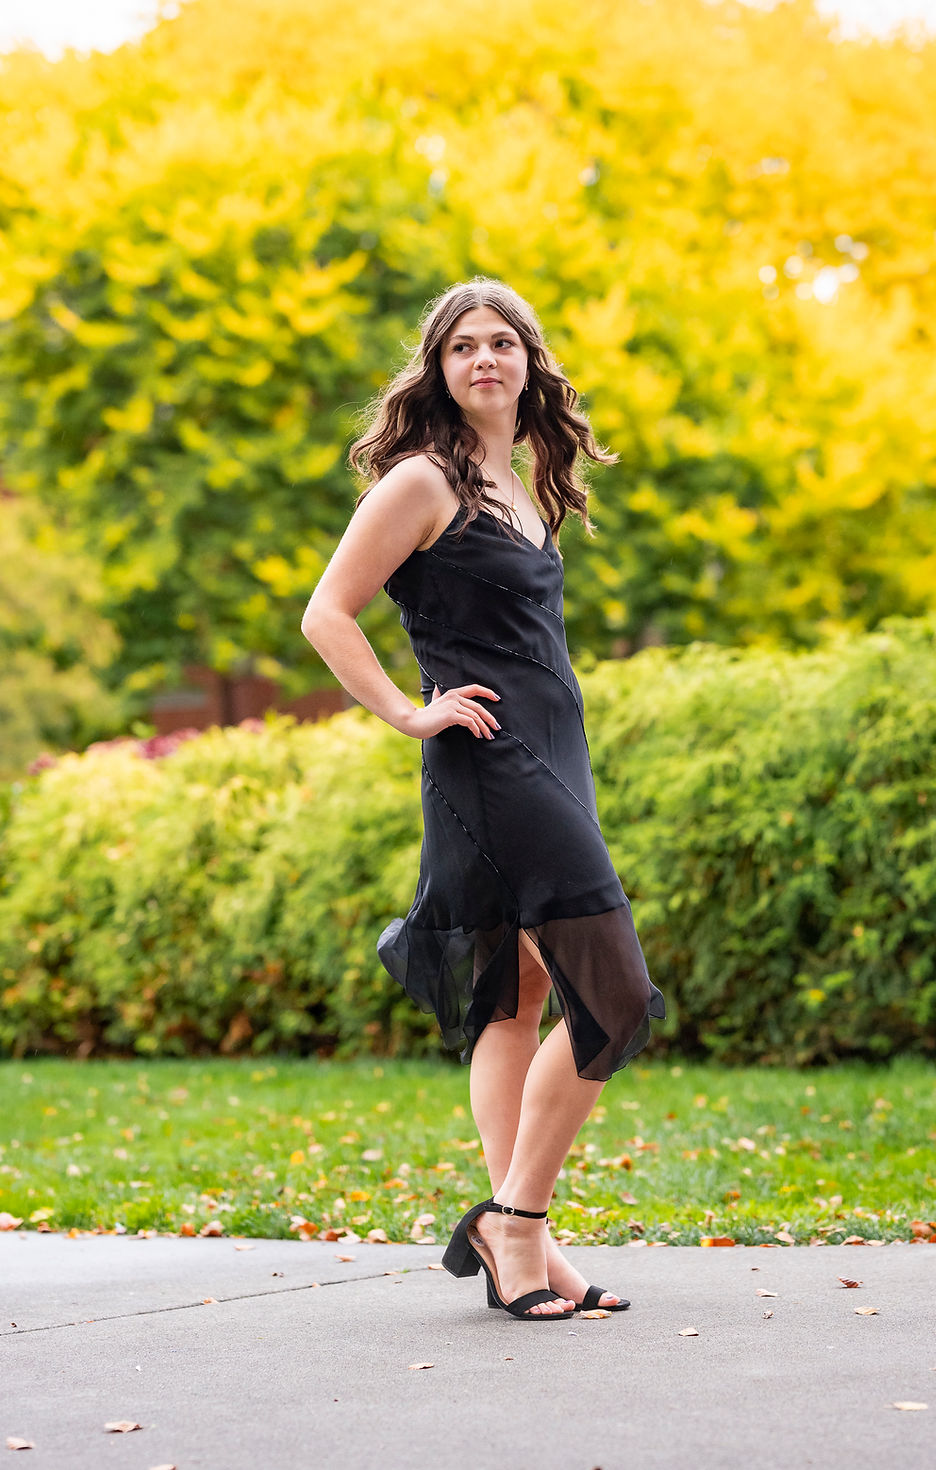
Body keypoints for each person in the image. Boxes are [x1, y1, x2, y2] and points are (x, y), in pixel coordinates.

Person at [301, 277, 666, 1321]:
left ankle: (525, 1241)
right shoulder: (422, 481)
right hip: (489, 760)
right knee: (616, 997)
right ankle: (518, 1220)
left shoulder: (524, 482)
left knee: (516, 1002)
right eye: (460, 348)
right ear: (439, 370)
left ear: (527, 363)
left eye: (499, 343)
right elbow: (326, 615)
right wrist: (408, 713)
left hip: (555, 750)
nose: (482, 361)